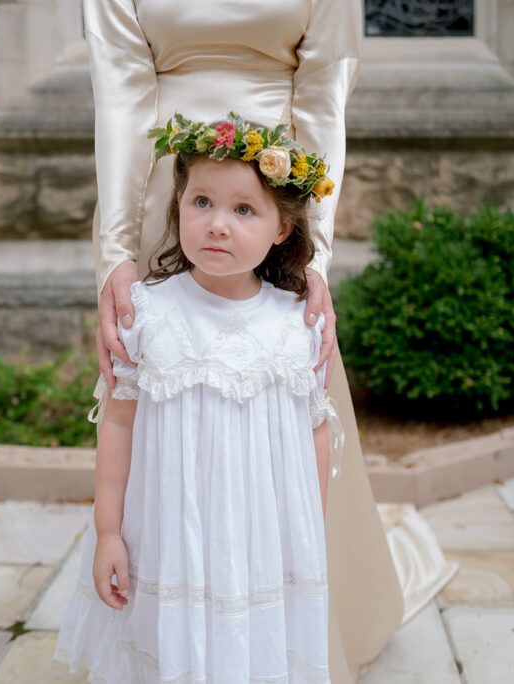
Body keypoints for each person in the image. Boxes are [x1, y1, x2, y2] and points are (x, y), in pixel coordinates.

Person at [79, 1, 456, 680]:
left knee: (285, 399)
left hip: (274, 185)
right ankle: (164, 611)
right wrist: (117, 249)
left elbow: (323, 90)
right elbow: (118, 85)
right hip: (162, 186)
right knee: (153, 398)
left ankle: (285, 609)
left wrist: (316, 254)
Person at [56, 115, 343, 682]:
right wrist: (108, 533)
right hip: (171, 532)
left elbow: (312, 431)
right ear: (179, 205)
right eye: (202, 202)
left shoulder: (299, 324)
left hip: (259, 538)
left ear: (283, 228)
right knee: (171, 643)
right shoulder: (146, 312)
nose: (217, 225)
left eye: (244, 210)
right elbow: (118, 424)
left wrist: (307, 533)